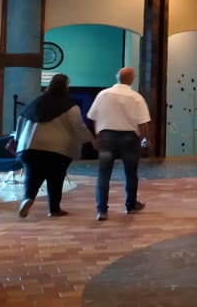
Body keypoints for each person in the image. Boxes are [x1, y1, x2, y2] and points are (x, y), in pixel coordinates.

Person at [14, 74, 92, 218]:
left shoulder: (35, 102)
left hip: (30, 146)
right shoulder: (69, 106)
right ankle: (54, 209)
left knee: (32, 175)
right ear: (66, 86)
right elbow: (78, 126)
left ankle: (28, 198)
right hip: (58, 149)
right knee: (56, 178)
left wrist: (17, 139)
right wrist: (91, 139)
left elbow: (21, 121)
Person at [87, 67, 152, 221]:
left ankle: (102, 210)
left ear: (117, 77)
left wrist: (96, 137)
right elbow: (143, 123)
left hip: (107, 137)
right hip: (129, 139)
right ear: (132, 79)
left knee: (103, 174)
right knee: (131, 174)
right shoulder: (136, 97)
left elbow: (93, 117)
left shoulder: (103, 94)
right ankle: (130, 205)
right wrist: (146, 139)